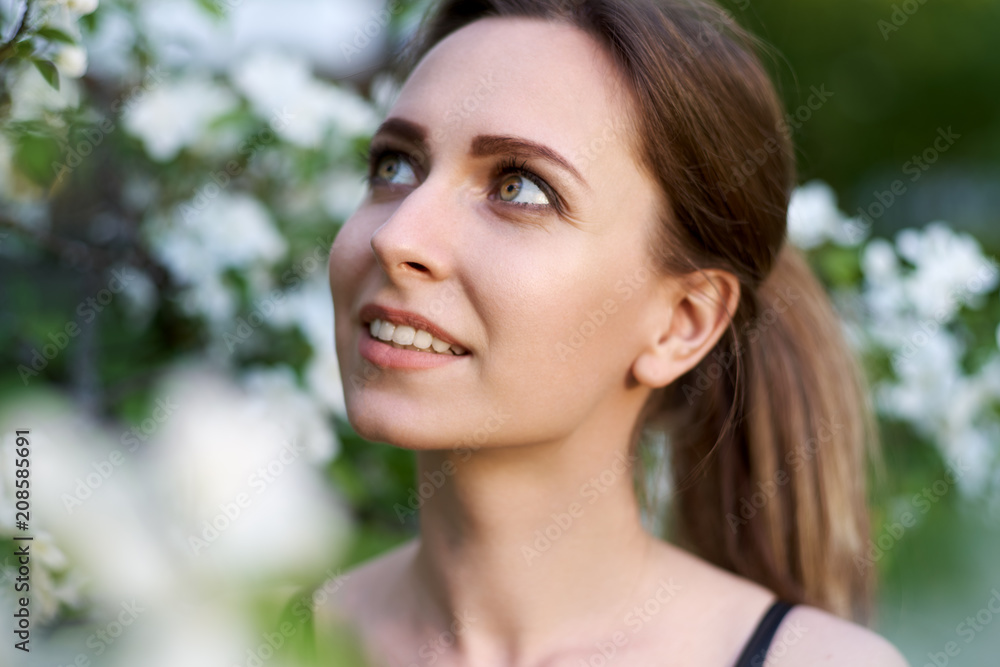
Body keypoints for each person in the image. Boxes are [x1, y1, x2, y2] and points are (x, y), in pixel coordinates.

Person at [321, 0, 910, 664]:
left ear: (681, 324)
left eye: (520, 188)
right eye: (395, 166)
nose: (396, 236)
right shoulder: (236, 634)